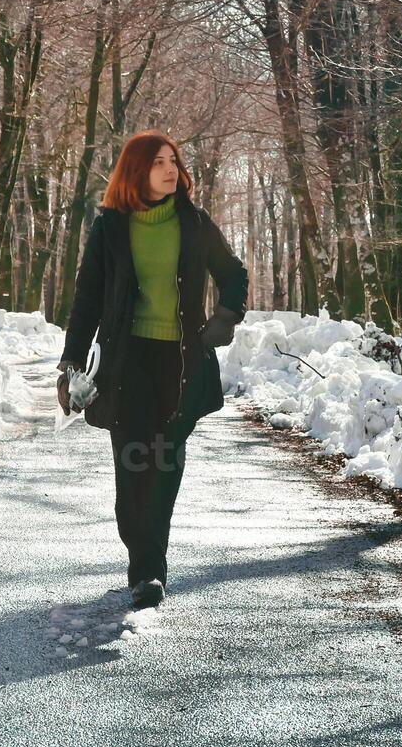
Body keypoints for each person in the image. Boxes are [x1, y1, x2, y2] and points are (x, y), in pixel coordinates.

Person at [55, 130, 249, 610]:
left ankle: (148, 572)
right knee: (131, 467)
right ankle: (140, 553)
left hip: (181, 363)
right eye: (159, 162)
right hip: (127, 362)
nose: (171, 169)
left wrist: (221, 322)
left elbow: (234, 274)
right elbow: (86, 301)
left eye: (173, 161)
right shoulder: (111, 228)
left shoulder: (194, 223)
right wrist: (71, 363)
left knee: (165, 464)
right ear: (136, 170)